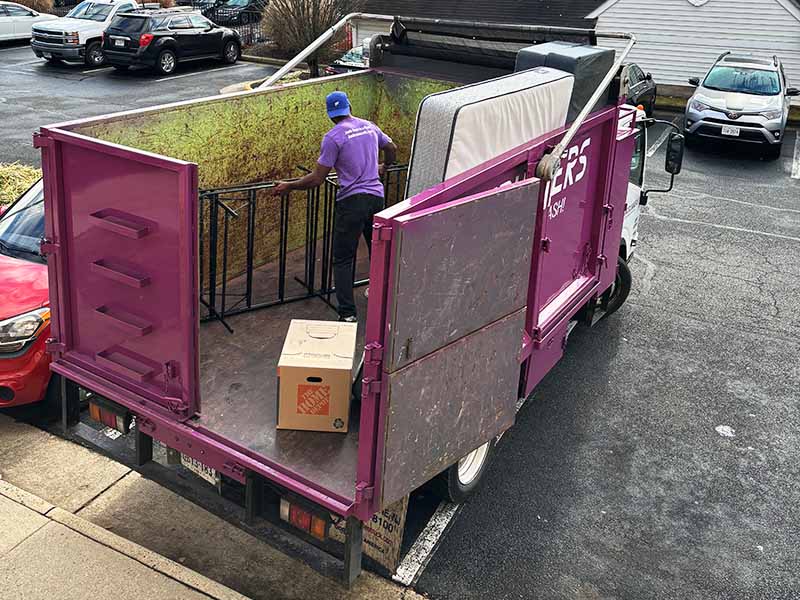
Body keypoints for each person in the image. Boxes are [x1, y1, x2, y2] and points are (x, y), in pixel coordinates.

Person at [272, 91, 397, 322]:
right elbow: (391, 147)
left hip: (351, 202)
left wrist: (289, 186)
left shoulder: (333, 137)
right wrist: (384, 166)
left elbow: (317, 179)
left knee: (343, 258)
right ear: (349, 106)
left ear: (331, 115)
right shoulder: (369, 126)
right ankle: (382, 296)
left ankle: (348, 313)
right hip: (376, 198)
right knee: (378, 250)